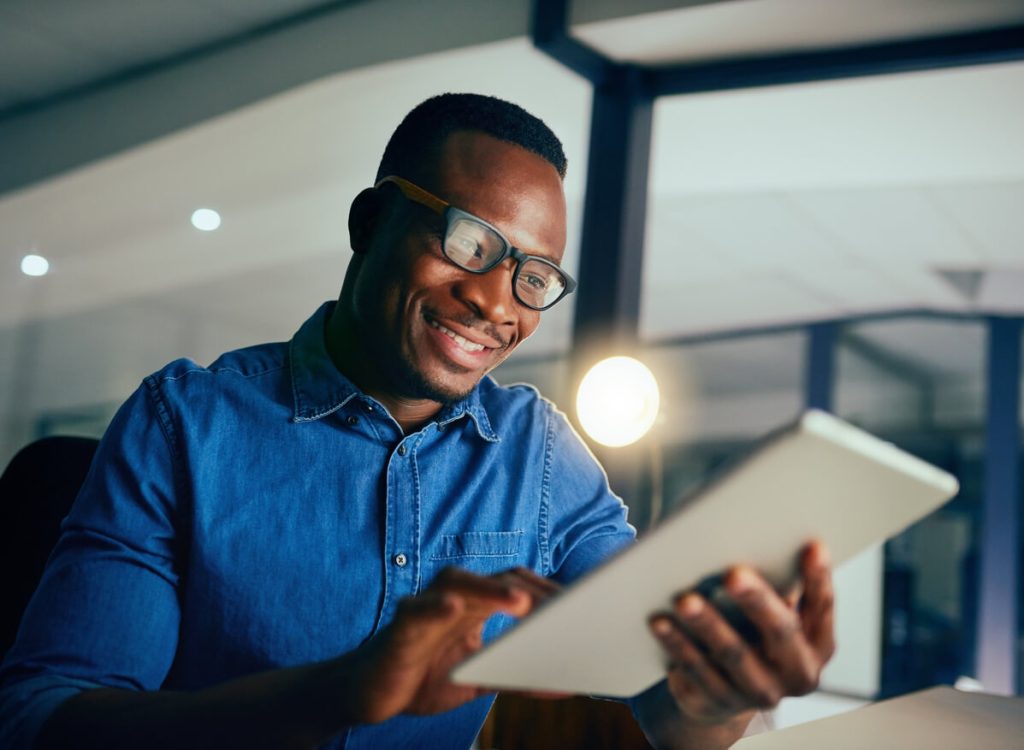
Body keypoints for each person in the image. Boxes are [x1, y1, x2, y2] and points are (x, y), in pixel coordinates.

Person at [0, 93, 834, 750]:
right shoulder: (183, 423)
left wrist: (719, 697)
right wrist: (333, 693)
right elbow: (45, 719)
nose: (494, 301)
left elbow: (663, 704)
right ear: (371, 224)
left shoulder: (540, 455)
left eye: (534, 275)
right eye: (469, 243)